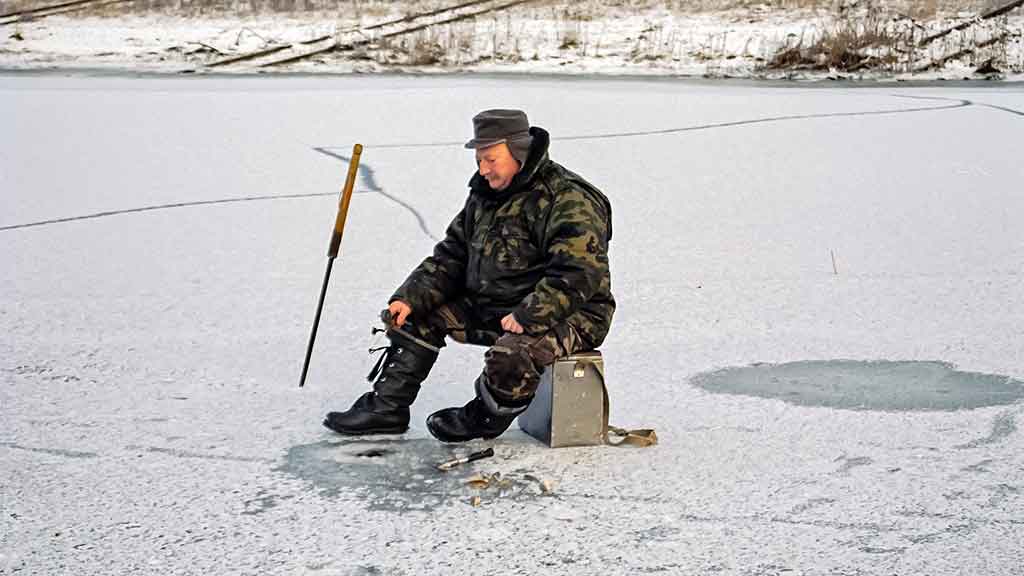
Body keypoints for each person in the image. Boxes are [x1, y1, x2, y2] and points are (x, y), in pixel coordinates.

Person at [323, 109, 615, 443]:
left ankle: (485, 416)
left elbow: (579, 273)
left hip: (573, 313)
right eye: (479, 159)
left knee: (513, 355)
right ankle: (386, 408)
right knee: (416, 317)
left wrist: (529, 314)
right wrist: (409, 296)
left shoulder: (567, 198)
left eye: (491, 159)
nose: (483, 169)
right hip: (497, 303)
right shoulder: (484, 194)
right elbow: (453, 254)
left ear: (519, 151)